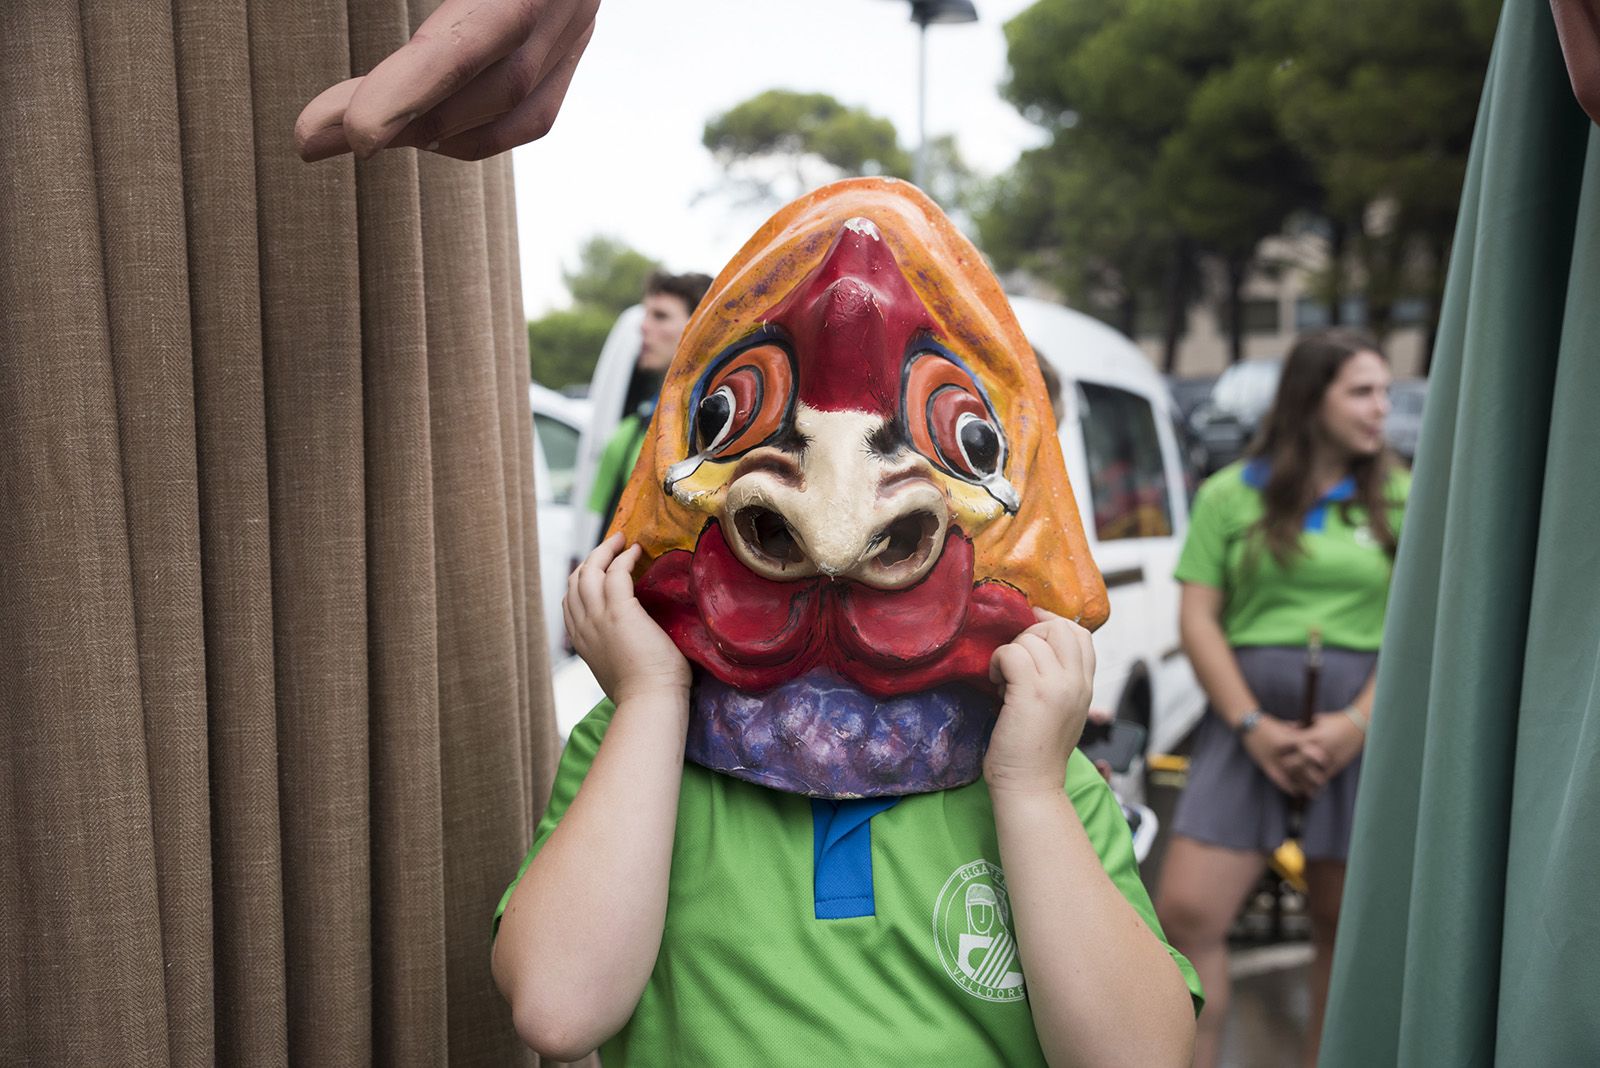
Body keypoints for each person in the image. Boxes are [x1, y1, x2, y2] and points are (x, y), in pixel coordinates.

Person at [491, 179, 1201, 1066]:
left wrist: (1029, 789)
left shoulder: (1037, 772)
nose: (833, 538)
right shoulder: (638, 749)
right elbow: (557, 1010)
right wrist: (648, 703)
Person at [1153, 328, 1409, 1068]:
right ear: (1310, 397)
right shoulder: (1229, 495)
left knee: (1343, 926)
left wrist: (1357, 723)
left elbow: (1419, 626)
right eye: (1361, 391)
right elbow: (1198, 618)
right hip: (1244, 727)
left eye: (1385, 392)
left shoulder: (1405, 494)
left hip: (1363, 730)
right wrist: (1254, 726)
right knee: (1187, 912)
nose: (1380, 409)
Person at [586, 270, 713, 536]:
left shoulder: (719, 431)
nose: (643, 326)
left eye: (661, 316)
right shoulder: (632, 428)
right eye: (646, 314)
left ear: (701, 326)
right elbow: (597, 528)